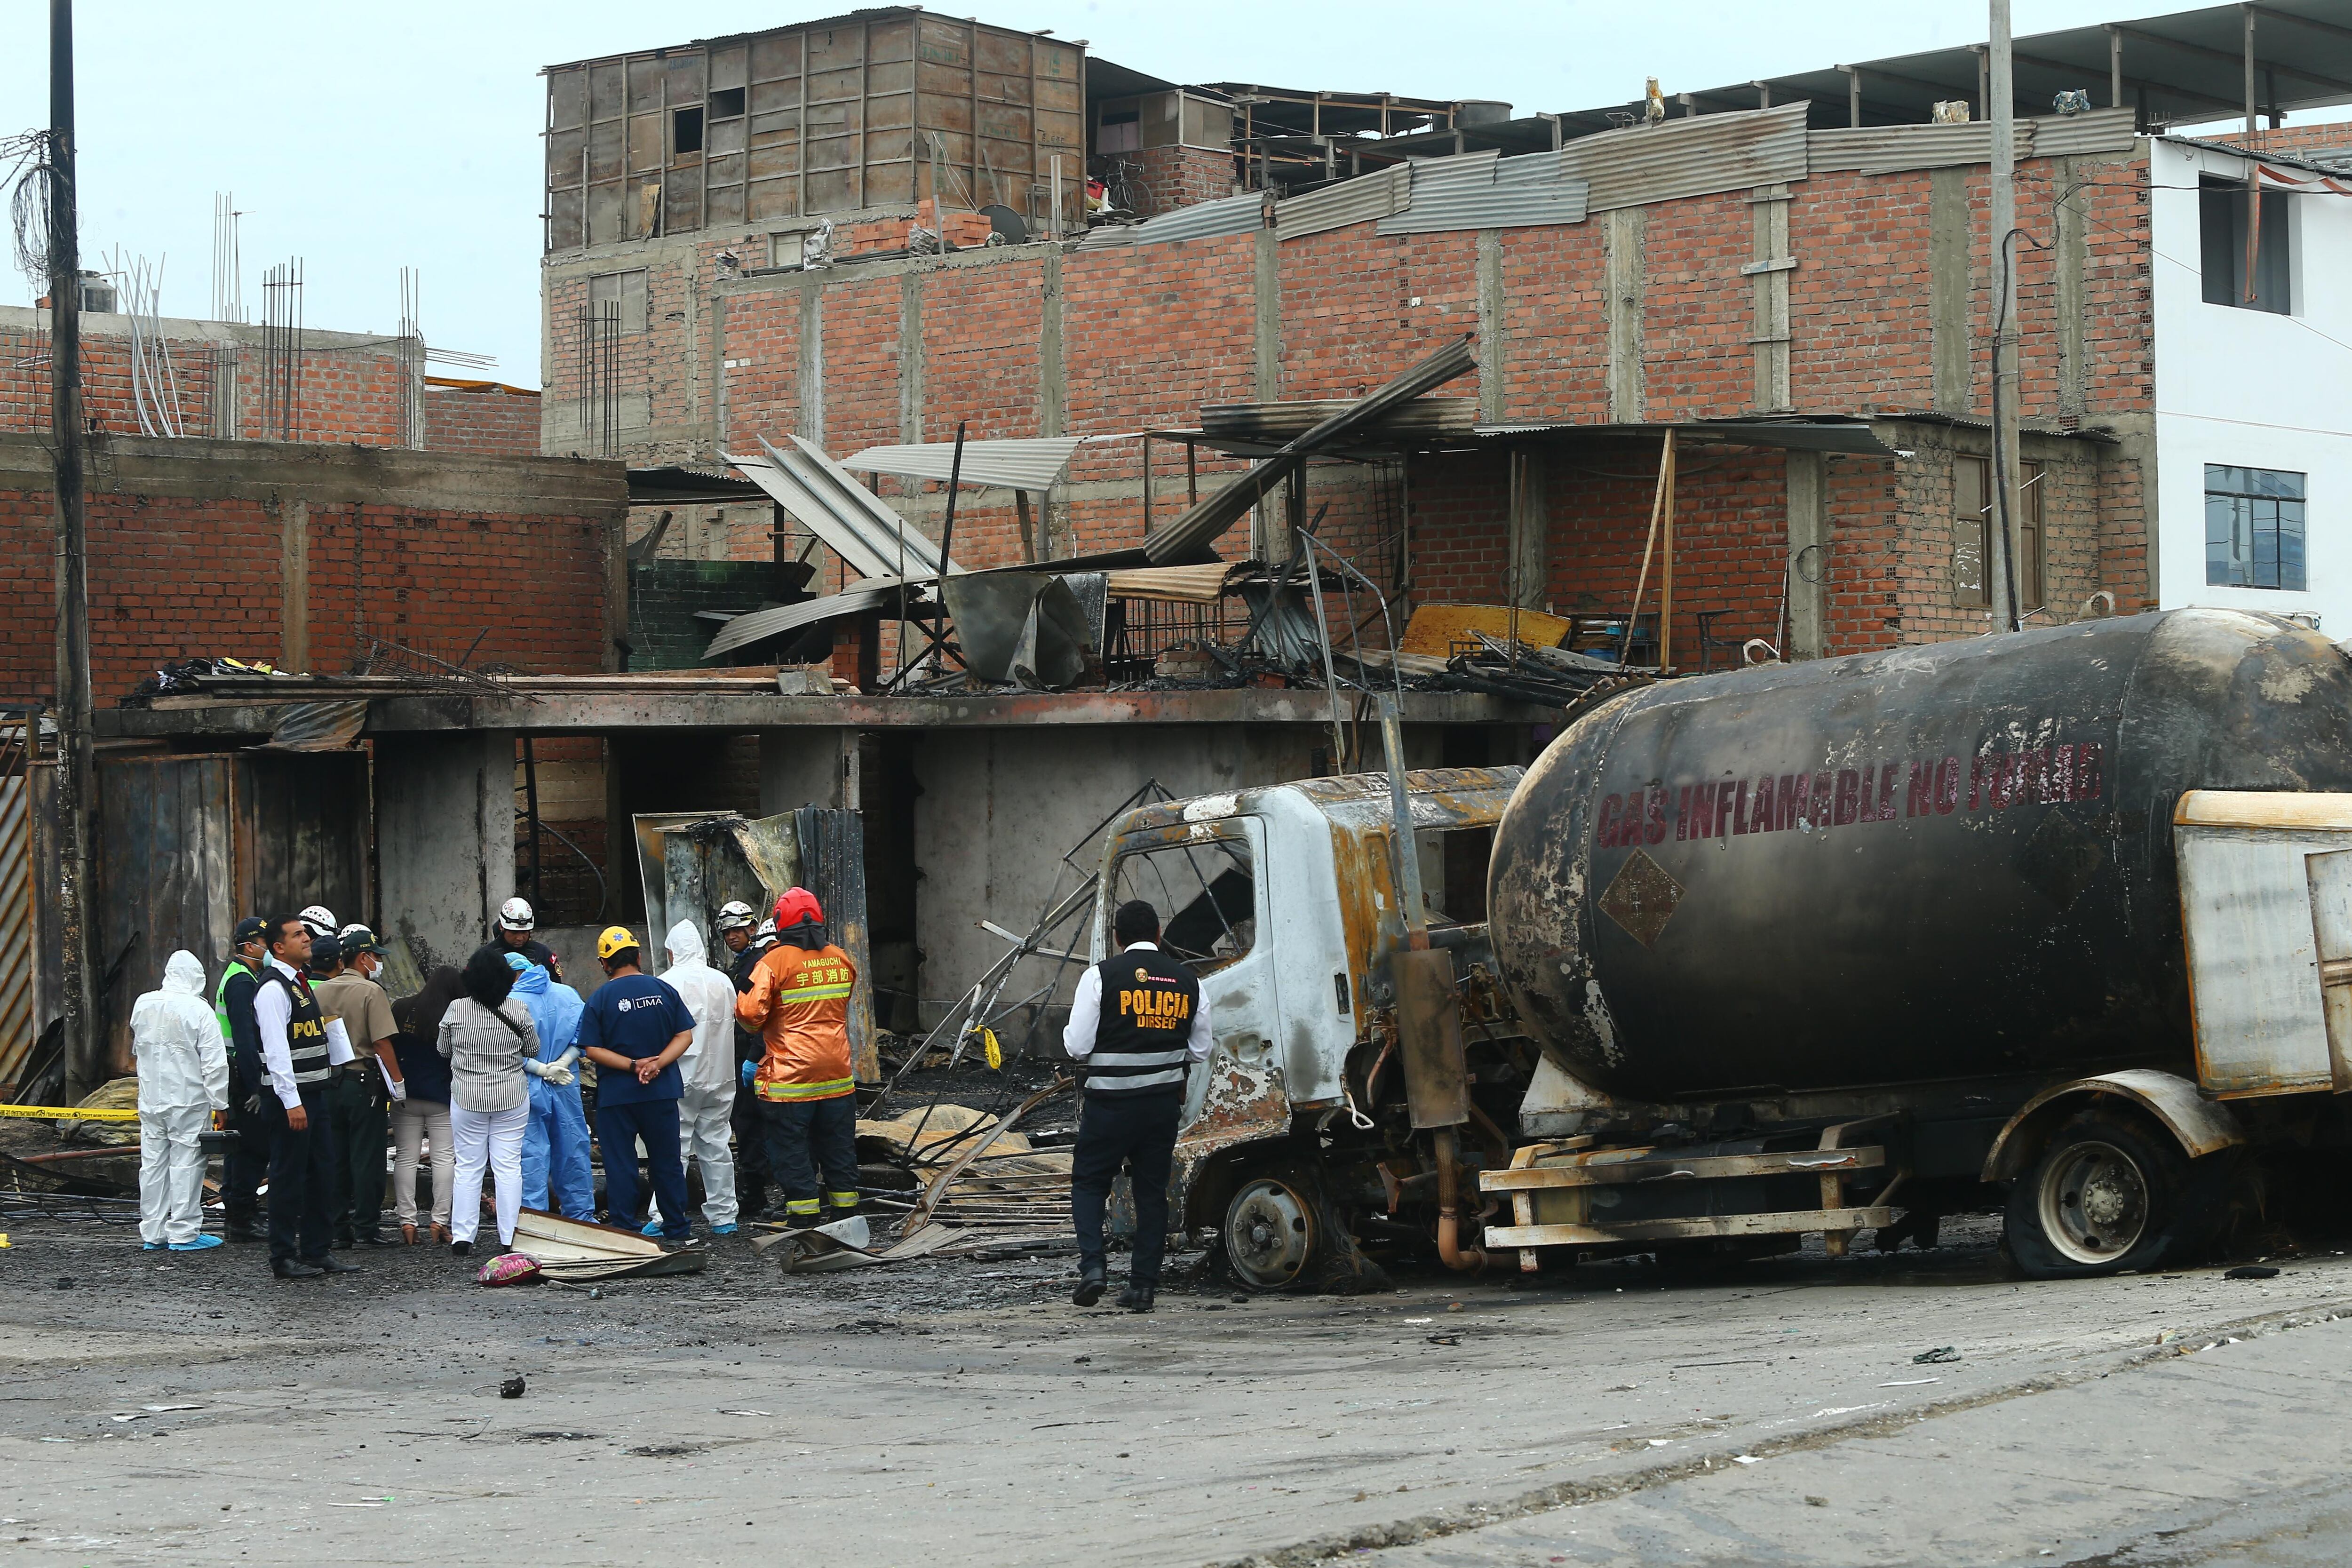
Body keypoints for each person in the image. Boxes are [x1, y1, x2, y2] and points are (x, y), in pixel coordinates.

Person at [1062, 899, 1213, 1313]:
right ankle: (1143, 1287)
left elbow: (1077, 1045)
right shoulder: (1191, 982)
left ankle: (1094, 1268)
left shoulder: (1100, 976)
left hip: (1109, 1106)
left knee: (1090, 1183)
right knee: (1151, 1194)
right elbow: (1200, 1050)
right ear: (1159, 934)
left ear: (1117, 937)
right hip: (1160, 1108)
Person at [737, 888, 860, 1229]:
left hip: (791, 1082)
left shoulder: (772, 962)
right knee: (838, 1149)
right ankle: (846, 1215)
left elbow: (749, 1015)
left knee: (790, 1150)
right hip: (838, 1076)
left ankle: (805, 1217)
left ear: (780, 923)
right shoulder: (841, 957)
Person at [253, 913, 360, 1280]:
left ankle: (317, 1250)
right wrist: (291, 1101)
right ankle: (283, 1256)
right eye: (299, 935)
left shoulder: (301, 983)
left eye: (307, 934)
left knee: (322, 1173)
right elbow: (277, 1050)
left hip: (315, 1095)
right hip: (291, 1100)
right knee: (288, 1176)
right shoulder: (273, 989)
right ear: (279, 947)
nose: (308, 939)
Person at [576, 926, 694, 1244]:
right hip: (661, 1091)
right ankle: (677, 1230)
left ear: (605, 963)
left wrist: (632, 1065)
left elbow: (591, 1049)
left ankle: (625, 1231)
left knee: (621, 1164)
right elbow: (685, 1035)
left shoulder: (600, 999)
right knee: (666, 1161)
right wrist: (657, 1063)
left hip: (618, 1096)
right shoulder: (663, 990)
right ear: (639, 956)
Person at [437, 945, 540, 1258]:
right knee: (508, 1166)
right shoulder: (518, 1010)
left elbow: (443, 1049)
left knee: (469, 1166)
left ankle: (463, 1237)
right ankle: (510, 1236)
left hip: (468, 1098)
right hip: (511, 1097)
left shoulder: (455, 1009)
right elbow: (533, 1049)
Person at [646, 920, 743, 1238]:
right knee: (717, 1145)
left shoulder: (665, 983)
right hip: (721, 1076)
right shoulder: (723, 980)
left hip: (681, 1076)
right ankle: (724, 1216)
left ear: (672, 951)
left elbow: (661, 1031)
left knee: (674, 1148)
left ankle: (662, 1215)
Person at [133, 950, 230, 1252]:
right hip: (189, 1100)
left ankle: (153, 1232)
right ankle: (184, 1233)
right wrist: (221, 1104)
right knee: (187, 1163)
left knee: (153, 1165)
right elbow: (214, 1064)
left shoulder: (143, 1003)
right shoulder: (199, 1010)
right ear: (197, 978)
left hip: (151, 1099)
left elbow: (139, 1049)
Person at [310, 931, 402, 1248]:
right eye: (375, 956)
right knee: (366, 1157)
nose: (377, 962)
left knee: (335, 1156)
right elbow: (381, 1042)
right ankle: (366, 1227)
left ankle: (338, 1228)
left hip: (328, 1082)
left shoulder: (320, 991)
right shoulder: (370, 992)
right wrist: (399, 1082)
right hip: (364, 1083)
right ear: (363, 958)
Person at [504, 951, 595, 1218]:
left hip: (522, 1085)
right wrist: (562, 1064)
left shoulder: (509, 1002)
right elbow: (584, 1036)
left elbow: (501, 1049)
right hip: (565, 1082)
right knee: (573, 1149)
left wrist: (542, 1068)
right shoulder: (568, 994)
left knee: (530, 1156)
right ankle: (581, 1219)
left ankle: (533, 1223)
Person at [388, 970, 460, 1245]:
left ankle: (407, 1222)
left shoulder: (402, 1007)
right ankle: (439, 1221)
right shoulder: (455, 1012)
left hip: (405, 1093)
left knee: (406, 1157)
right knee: (444, 1159)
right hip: (442, 1095)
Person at [215, 915, 271, 1243]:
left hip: (236, 1075)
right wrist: (255, 1086)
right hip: (242, 1077)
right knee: (252, 1150)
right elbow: (246, 1038)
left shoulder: (243, 976)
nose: (268, 949)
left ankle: (240, 1213)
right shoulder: (242, 982)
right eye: (264, 943)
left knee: (240, 1150)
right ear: (249, 946)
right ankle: (243, 1218)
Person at [719, 903, 776, 1218]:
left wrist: (754, 1057)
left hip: (755, 1055)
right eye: (727, 932)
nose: (732, 937)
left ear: (752, 929)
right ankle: (756, 1189)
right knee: (747, 1126)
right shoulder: (742, 965)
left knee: (751, 1126)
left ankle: (755, 1193)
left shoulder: (757, 965)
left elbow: (762, 1016)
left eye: (737, 931)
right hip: (742, 1054)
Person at [493, 896, 563, 982]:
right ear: (501, 927)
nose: (520, 938)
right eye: (514, 933)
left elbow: (555, 987)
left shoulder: (542, 954)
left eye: (524, 932)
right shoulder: (485, 957)